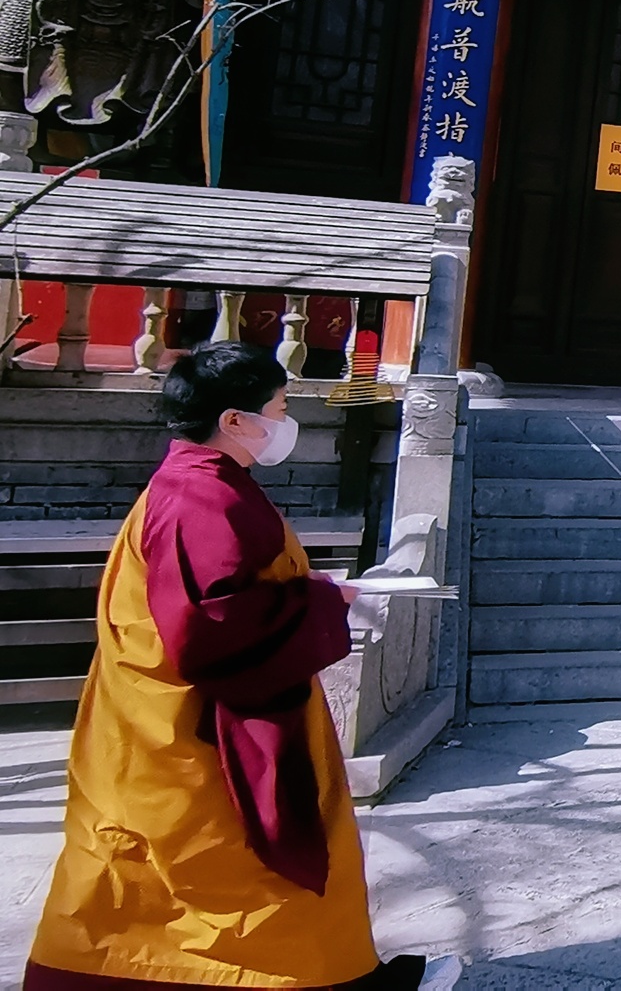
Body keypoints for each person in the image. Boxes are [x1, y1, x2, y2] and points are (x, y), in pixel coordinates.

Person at [26, 342, 449, 989]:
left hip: (169, 725)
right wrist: (318, 602)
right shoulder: (201, 497)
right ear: (232, 420)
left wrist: (308, 593)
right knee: (235, 878)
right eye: (277, 409)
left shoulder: (198, 483)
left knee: (180, 887)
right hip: (195, 739)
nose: (284, 423)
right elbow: (209, 627)